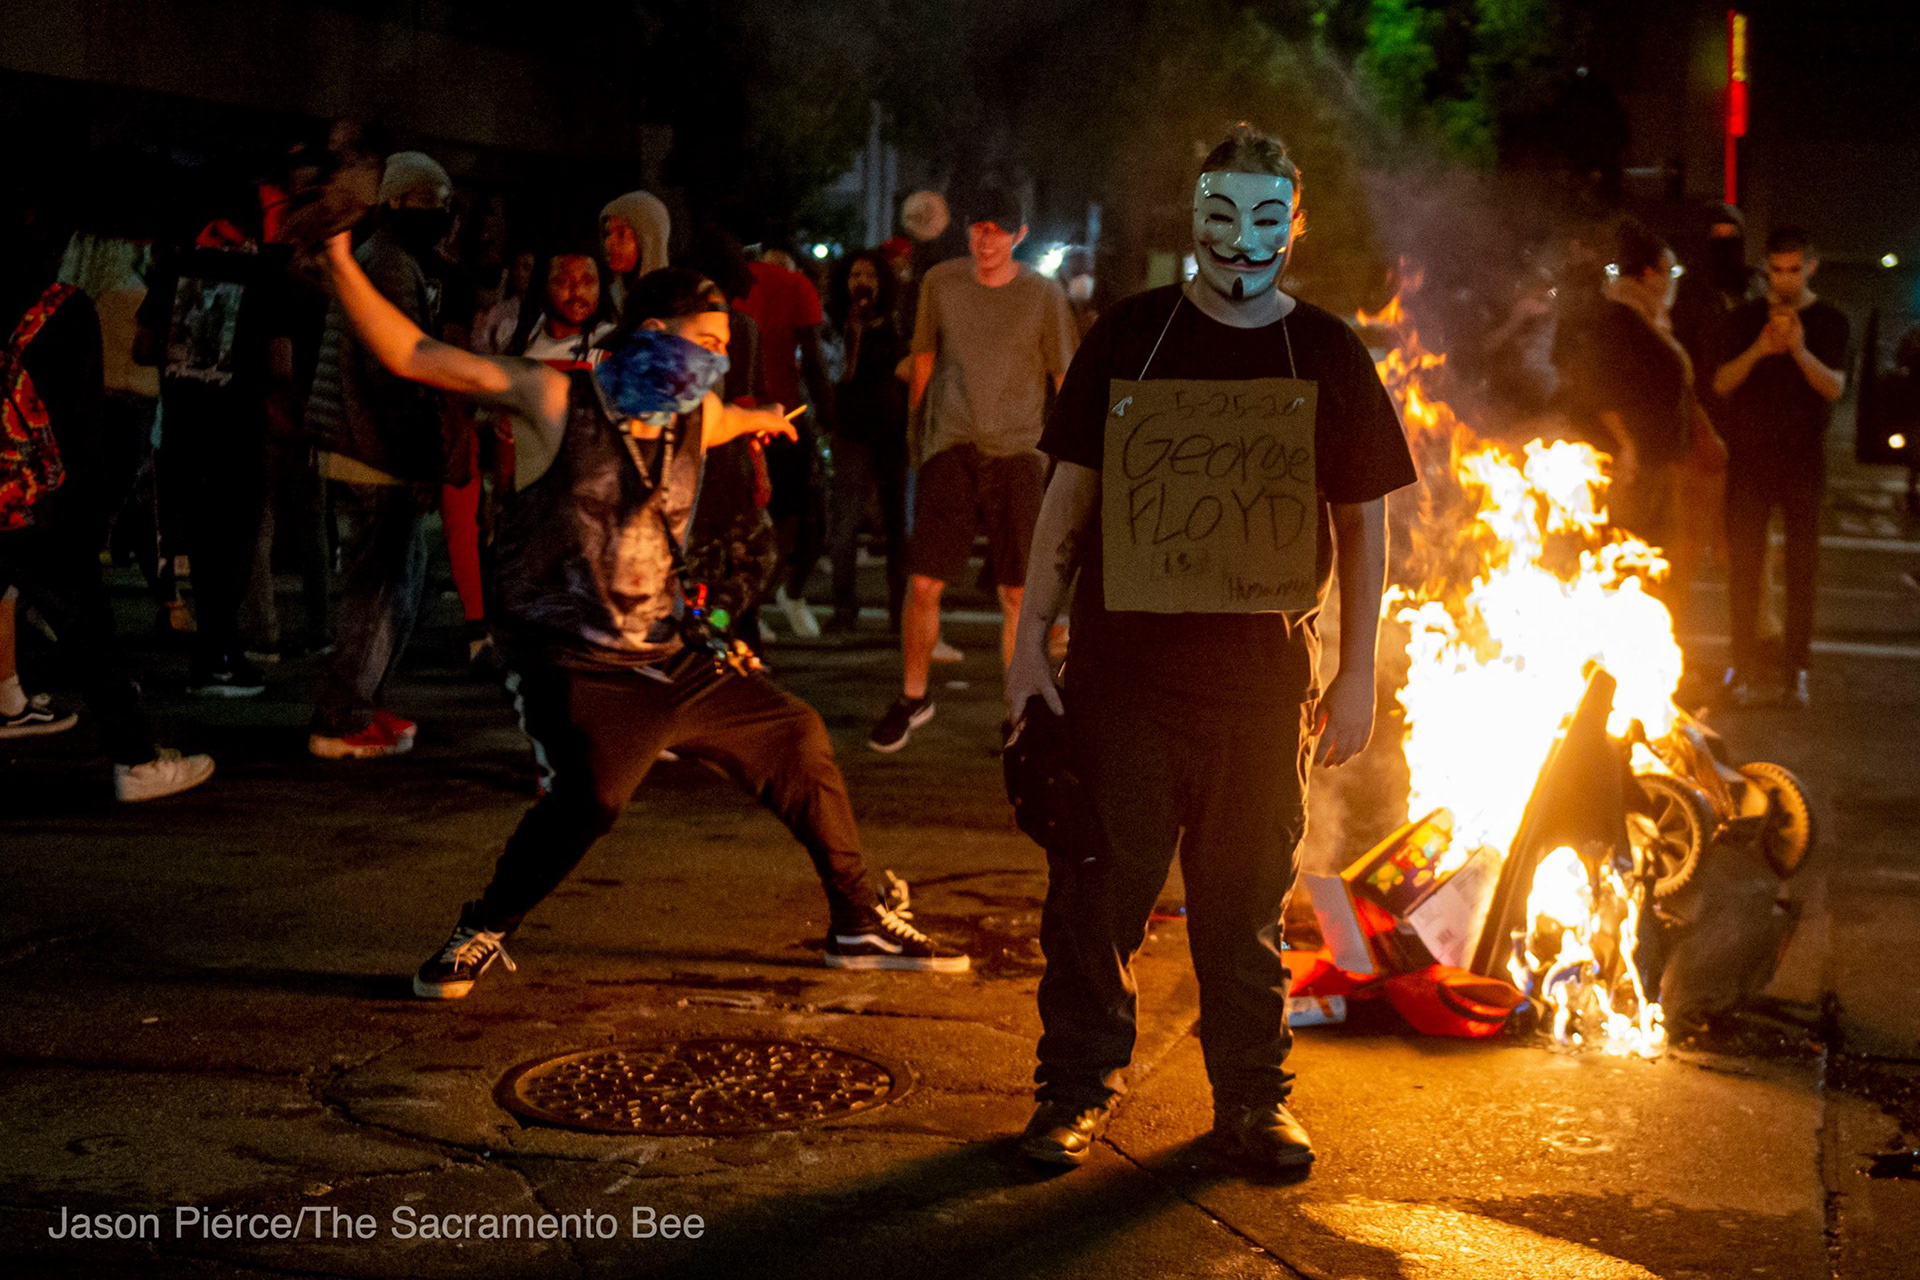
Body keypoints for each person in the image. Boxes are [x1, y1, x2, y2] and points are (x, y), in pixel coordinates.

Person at [307, 229, 970, 993]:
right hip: (571, 662)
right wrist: (339, 260)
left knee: (797, 734)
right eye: (707, 344)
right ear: (654, 333)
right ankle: (484, 925)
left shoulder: (696, 416)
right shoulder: (556, 397)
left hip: (667, 654)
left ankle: (856, 920)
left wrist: (762, 418)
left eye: (724, 350)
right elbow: (413, 354)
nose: (716, 362)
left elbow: (732, 417)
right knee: (591, 797)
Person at [1003, 125, 1415, 1172]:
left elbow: (1364, 525)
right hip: (1122, 683)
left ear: (1295, 224)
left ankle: (1252, 1100)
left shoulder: (1325, 351)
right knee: (1096, 897)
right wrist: (1028, 647)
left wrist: (1358, 671)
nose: (1241, 240)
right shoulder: (1130, 337)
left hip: (1262, 690)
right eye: (1220, 216)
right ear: (1193, 218)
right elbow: (1068, 497)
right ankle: (1074, 1090)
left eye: (1266, 217)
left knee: (1245, 908)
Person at [1, 184, 214, 799]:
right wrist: (86, 510)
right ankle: (137, 761)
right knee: (89, 634)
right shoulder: (61, 309)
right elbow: (82, 426)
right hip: (37, 505)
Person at [868, 182, 1077, 752]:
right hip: (953, 442)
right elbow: (925, 357)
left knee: (1017, 593)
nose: (986, 242)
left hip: (1019, 450)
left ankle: (1018, 711)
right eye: (978, 230)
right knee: (924, 581)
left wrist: (1075, 459)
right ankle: (913, 697)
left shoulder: (1042, 294)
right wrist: (917, 438)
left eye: (998, 232)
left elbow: (1065, 375)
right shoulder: (941, 282)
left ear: (1019, 236)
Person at [304, 151, 455, 758]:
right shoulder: (392, 264)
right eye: (432, 205)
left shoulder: (384, 255)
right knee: (379, 591)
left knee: (392, 583)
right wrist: (420, 463)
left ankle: (362, 702)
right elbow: (398, 373)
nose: (441, 217)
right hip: (374, 450)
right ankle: (342, 719)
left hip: (358, 442)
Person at [134, 179, 289, 697]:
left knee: (201, 548)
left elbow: (142, 346)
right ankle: (225, 656)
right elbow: (281, 364)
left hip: (183, 429)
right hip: (238, 432)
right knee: (236, 548)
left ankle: (210, 656)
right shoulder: (265, 277)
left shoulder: (173, 270)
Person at [1714, 227, 1848, 707]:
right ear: (1766, 269)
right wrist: (1759, 349)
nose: (1785, 279)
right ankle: (1743, 667)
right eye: (1777, 270)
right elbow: (1721, 382)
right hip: (1750, 459)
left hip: (1803, 459)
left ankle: (1796, 671)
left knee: (1801, 569)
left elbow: (1834, 387)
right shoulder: (1744, 318)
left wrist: (1798, 350)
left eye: (1794, 270)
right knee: (1744, 570)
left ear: (1810, 267)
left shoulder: (1831, 320)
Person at [1584, 219, 1718, 635]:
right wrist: (1625, 445)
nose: (1673, 281)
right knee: (1633, 555)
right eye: (1669, 271)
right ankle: (1623, 649)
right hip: (1638, 466)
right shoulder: (1620, 318)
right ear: (1649, 273)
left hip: (1659, 461)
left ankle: (1651, 646)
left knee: (1658, 556)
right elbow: (1603, 389)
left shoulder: (1649, 318)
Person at [734, 245, 836, 640]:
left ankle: (748, 609)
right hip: (783, 417)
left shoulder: (725, 286)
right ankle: (775, 595)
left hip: (732, 418)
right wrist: (827, 414)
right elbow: (812, 358)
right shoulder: (794, 286)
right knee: (798, 515)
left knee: (746, 519)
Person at [824, 249, 909, 633]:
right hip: (851, 431)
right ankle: (844, 607)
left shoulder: (897, 322)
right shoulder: (836, 325)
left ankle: (899, 610)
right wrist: (852, 330)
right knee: (845, 522)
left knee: (896, 524)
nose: (862, 283)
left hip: (891, 431)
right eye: (855, 275)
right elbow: (841, 373)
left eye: (870, 276)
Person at [599, 191, 671, 318]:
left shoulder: (673, 302)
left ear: (648, 240)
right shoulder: (603, 300)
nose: (608, 243)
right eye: (607, 234)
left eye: (621, 234)